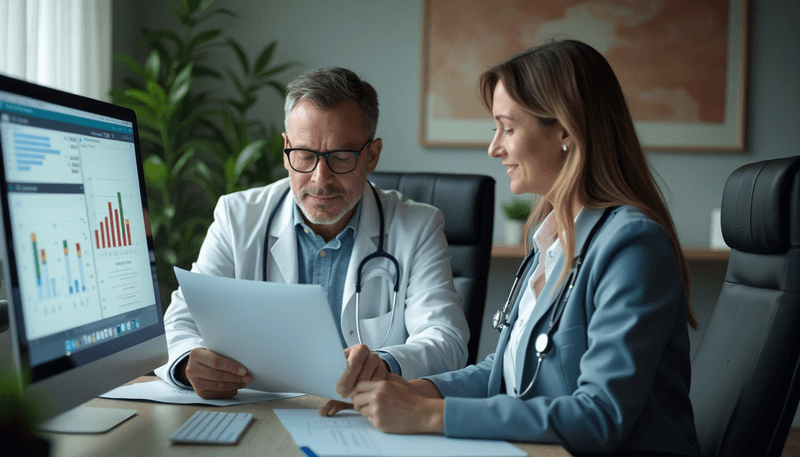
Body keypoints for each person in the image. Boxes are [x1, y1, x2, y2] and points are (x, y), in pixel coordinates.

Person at [330, 40, 701, 456]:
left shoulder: (632, 246)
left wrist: (429, 414)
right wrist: (413, 389)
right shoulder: (551, 236)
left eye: (507, 127)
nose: (494, 148)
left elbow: (600, 416)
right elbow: (508, 374)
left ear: (564, 130)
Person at [154, 67, 470, 403]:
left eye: (341, 157)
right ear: (286, 149)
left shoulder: (418, 226)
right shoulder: (237, 217)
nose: (321, 179)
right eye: (304, 155)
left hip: (366, 419)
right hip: (261, 410)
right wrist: (190, 362)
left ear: (372, 156)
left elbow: (446, 339)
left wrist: (383, 364)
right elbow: (184, 318)